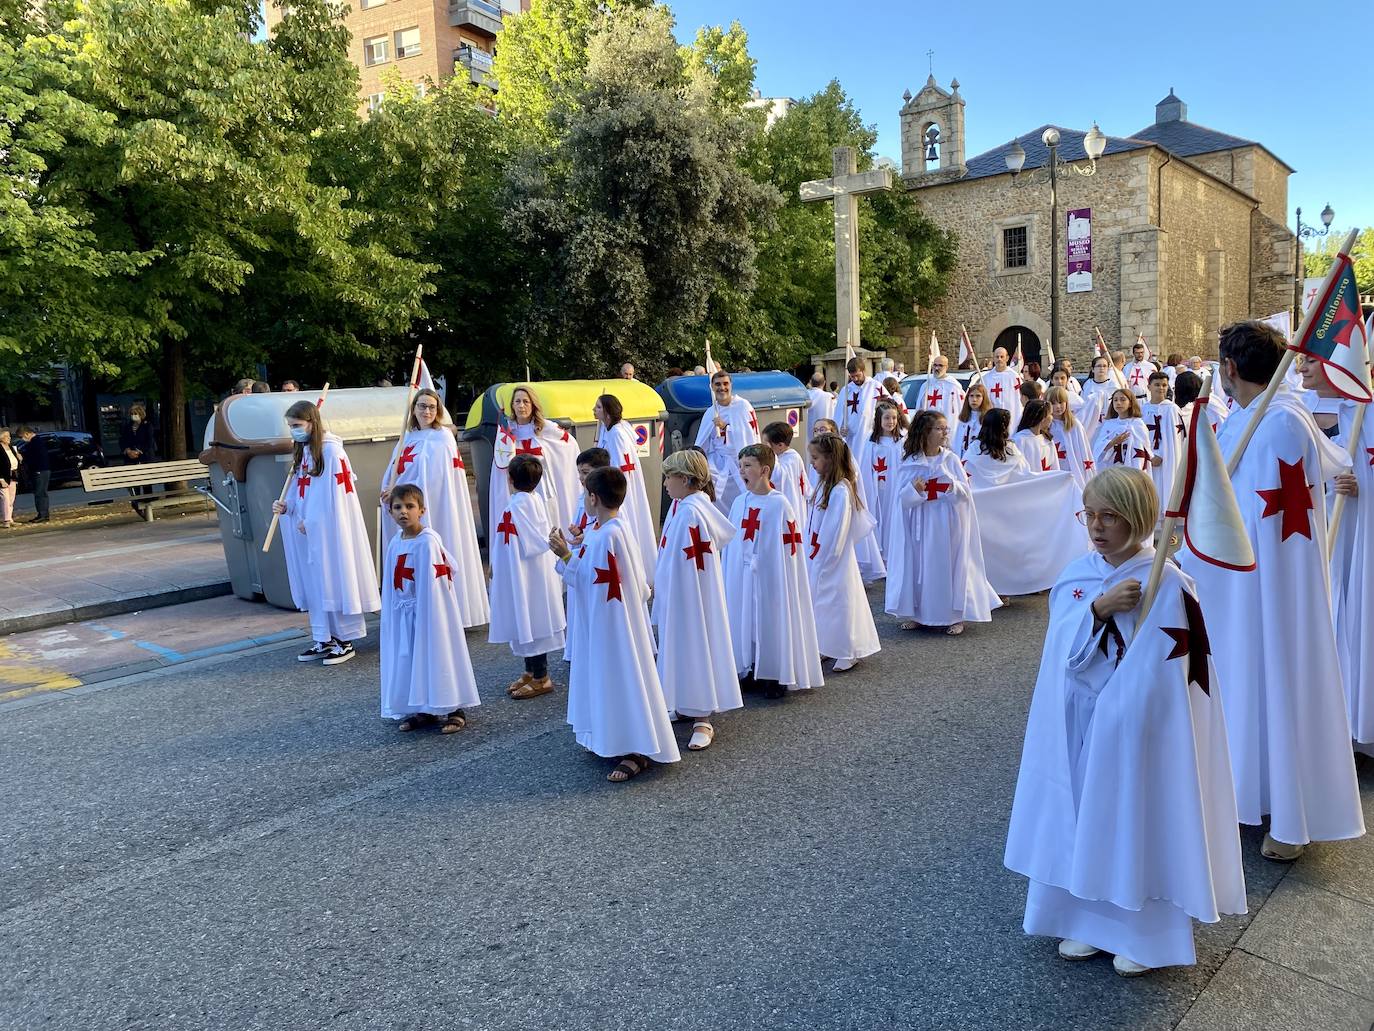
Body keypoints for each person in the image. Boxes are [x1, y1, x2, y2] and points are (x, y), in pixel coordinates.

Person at [1006, 467, 1245, 977]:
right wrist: (1097, 609)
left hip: (1138, 730)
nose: (1096, 526)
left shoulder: (1167, 583)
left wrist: (1128, 704)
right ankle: (1084, 920)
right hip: (1080, 724)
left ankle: (1144, 935)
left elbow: (1177, 667)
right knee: (1082, 817)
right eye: (1089, 514)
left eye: (1109, 516)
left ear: (1136, 518)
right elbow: (1060, 655)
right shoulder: (1077, 577)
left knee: (1134, 819)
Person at [1179, 320, 1365, 861]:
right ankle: (1252, 793)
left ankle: (1290, 818)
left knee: (1278, 676)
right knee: (1249, 680)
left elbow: (1244, 515)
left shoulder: (1276, 424)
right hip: (1249, 582)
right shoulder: (1255, 421)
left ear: (1230, 368)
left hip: (1273, 579)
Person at [549, 467, 680, 783]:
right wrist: (581, 544)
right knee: (610, 679)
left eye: (585, 493)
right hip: (612, 622)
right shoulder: (608, 529)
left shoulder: (608, 534)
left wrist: (565, 554)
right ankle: (608, 736)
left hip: (613, 625)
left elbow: (590, 581)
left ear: (593, 498)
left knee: (621, 678)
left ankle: (635, 750)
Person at [271, 399, 380, 665]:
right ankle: (324, 637)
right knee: (315, 582)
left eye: (297, 425)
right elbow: (303, 492)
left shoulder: (332, 453)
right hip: (308, 531)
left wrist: (314, 521)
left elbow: (338, 499)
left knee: (333, 579)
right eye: (290, 427)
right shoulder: (305, 452)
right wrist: (288, 507)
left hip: (330, 533)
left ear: (312, 422)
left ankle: (345, 638)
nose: (293, 431)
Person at [654, 450, 742, 750]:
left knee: (695, 645)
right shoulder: (683, 506)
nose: (665, 483)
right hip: (679, 593)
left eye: (669, 476)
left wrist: (676, 593)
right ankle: (682, 701)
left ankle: (702, 716)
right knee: (680, 646)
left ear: (687, 480)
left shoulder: (692, 511)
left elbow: (692, 561)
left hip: (691, 596)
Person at [380, 387, 489, 629]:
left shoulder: (442, 438)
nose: (427, 411)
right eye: (422, 406)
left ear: (438, 410)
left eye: (432, 407)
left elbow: (440, 479)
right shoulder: (405, 439)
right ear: (414, 409)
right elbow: (395, 472)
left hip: (435, 509)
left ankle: (446, 612)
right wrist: (389, 490)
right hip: (407, 508)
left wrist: (413, 496)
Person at [722, 443, 823, 698]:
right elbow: (734, 543)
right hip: (744, 576)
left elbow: (789, 547)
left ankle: (775, 673)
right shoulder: (739, 502)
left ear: (765, 470)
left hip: (771, 576)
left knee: (770, 620)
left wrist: (775, 570)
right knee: (746, 620)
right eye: (741, 465)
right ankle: (749, 667)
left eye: (748, 466)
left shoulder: (779, 504)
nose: (742, 471)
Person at [885, 410, 999, 636]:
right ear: (926, 432)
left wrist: (952, 487)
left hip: (947, 523)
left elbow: (966, 493)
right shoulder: (910, 462)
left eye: (946, 428)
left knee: (947, 567)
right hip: (921, 523)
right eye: (940, 428)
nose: (945, 432)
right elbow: (900, 501)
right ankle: (919, 614)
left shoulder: (951, 459)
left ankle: (953, 617)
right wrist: (914, 491)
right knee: (920, 567)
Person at [380, 484, 480, 734]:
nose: (404, 512)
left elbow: (440, 579)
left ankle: (453, 708)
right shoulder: (395, 542)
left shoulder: (428, 542)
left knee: (436, 654)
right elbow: (392, 584)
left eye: (409, 506)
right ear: (390, 512)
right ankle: (423, 708)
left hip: (429, 612)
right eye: (397, 507)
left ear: (422, 510)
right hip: (404, 614)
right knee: (413, 659)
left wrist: (431, 613)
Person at [1320, 361, 1374, 756]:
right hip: (1342, 538)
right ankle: (1351, 722)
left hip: (1365, 537)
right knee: (1347, 619)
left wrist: (1367, 489)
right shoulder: (1338, 413)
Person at [489, 455, 566, 701]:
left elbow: (529, 542)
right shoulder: (534, 500)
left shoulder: (518, 505)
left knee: (531, 619)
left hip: (525, 571)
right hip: (528, 570)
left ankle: (541, 677)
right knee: (527, 619)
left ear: (509, 479)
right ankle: (530, 672)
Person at [805, 434, 881, 673]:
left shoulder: (840, 490)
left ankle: (849, 649)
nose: (812, 463)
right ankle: (826, 644)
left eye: (816, 458)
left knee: (841, 602)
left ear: (830, 458)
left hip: (833, 558)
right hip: (819, 554)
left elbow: (836, 529)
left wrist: (827, 556)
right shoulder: (824, 484)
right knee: (821, 601)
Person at [490, 385, 580, 541]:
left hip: (542, 488)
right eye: (517, 401)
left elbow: (569, 445)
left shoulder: (546, 428)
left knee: (548, 528)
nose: (521, 405)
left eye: (526, 401)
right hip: (516, 492)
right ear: (512, 405)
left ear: (533, 405)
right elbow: (500, 464)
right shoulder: (506, 432)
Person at [594, 393, 657, 583]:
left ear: (607, 411)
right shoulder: (610, 429)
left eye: (597, 407)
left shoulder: (617, 434)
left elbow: (621, 465)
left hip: (621, 489)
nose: (593, 410)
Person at [693, 370, 760, 516]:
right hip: (719, 462)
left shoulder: (743, 406)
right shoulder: (711, 412)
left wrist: (726, 427)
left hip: (739, 460)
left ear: (731, 385)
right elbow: (702, 444)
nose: (722, 388)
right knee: (707, 483)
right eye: (717, 384)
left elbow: (748, 436)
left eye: (725, 384)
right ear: (712, 387)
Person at [858, 402, 907, 555]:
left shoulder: (902, 441)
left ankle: (892, 555)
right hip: (878, 490)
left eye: (894, 418)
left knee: (893, 520)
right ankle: (878, 555)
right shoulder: (871, 442)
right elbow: (865, 467)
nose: (890, 422)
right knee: (879, 518)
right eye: (886, 418)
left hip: (896, 489)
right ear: (879, 420)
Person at [1140, 372, 1183, 522]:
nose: (1161, 388)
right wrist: (1150, 455)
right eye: (1157, 385)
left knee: (1166, 489)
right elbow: (1139, 435)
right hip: (1148, 458)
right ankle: (1150, 526)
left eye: (1164, 385)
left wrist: (1163, 455)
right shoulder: (1142, 409)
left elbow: (1175, 438)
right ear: (1149, 386)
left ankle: (1167, 528)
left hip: (1167, 459)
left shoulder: (1172, 409)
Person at [963, 409, 1032, 488]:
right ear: (1005, 427)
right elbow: (1024, 472)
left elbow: (963, 471)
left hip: (981, 496)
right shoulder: (1011, 448)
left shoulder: (975, 447)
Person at [1091, 390, 1154, 473]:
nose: (1118, 403)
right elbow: (1098, 449)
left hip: (1133, 467)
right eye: (1115, 400)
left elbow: (1143, 449)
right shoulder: (1109, 424)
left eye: (1122, 400)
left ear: (1130, 403)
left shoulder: (1138, 424)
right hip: (1112, 469)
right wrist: (1113, 442)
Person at [1046, 387, 1094, 489]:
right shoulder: (1045, 425)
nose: (1058, 406)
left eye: (1061, 402)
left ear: (1066, 403)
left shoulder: (1074, 425)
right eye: (1053, 403)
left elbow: (1082, 450)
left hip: (1071, 467)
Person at [763, 421, 808, 525]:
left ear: (780, 445)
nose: (765, 447)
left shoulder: (791, 458)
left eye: (767, 444)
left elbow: (777, 477)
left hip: (791, 504)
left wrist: (770, 454)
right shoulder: (788, 457)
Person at [838, 357, 884, 451]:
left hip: (870, 436)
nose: (855, 379)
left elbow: (888, 408)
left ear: (863, 371)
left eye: (857, 375)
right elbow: (838, 415)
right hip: (851, 438)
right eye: (852, 376)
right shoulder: (846, 390)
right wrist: (841, 428)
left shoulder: (875, 387)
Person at [914, 354, 965, 421]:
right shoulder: (926, 385)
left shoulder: (954, 386)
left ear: (946, 367)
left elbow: (960, 407)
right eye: (935, 365)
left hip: (948, 423)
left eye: (940, 365)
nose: (936, 368)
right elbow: (920, 407)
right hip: (929, 425)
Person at [1013, 399, 1059, 474]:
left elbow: (1055, 468)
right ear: (1042, 419)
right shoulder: (1019, 441)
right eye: (1050, 414)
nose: (1052, 417)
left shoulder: (1047, 439)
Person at [982, 347, 1023, 427]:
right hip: (993, 416)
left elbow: (1019, 397)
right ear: (993, 358)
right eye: (997, 357)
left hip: (1011, 415)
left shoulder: (1014, 377)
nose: (999, 359)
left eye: (1002, 357)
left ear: (1007, 358)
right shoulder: (986, 378)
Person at [16, 427, 49, 523]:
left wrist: (23, 457)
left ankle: (42, 514)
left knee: (39, 493)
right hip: (43, 469)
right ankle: (44, 514)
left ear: (26, 434)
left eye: (22, 437)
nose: (22, 439)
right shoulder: (38, 441)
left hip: (39, 470)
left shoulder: (35, 442)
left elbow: (33, 457)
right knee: (42, 492)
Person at [954, 383, 993, 459]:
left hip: (979, 459)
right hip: (964, 458)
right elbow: (957, 442)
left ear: (983, 398)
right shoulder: (963, 419)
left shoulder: (988, 419)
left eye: (978, 396)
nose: (974, 399)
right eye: (971, 396)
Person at [1078, 356, 1118, 429]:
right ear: (1093, 369)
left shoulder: (1113, 386)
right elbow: (1083, 404)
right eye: (1099, 366)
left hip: (1108, 422)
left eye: (1104, 366)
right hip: (1090, 422)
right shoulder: (1087, 385)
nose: (1102, 368)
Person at [0, 429, 19, 528]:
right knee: (5, 499)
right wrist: (1, 479)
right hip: (3, 477)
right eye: (7, 436)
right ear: (1, 438)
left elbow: (14, 460)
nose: (9, 438)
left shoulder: (11, 447)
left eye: (9, 436)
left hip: (13, 475)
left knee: (11, 498)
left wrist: (19, 458)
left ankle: (10, 518)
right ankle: (6, 520)